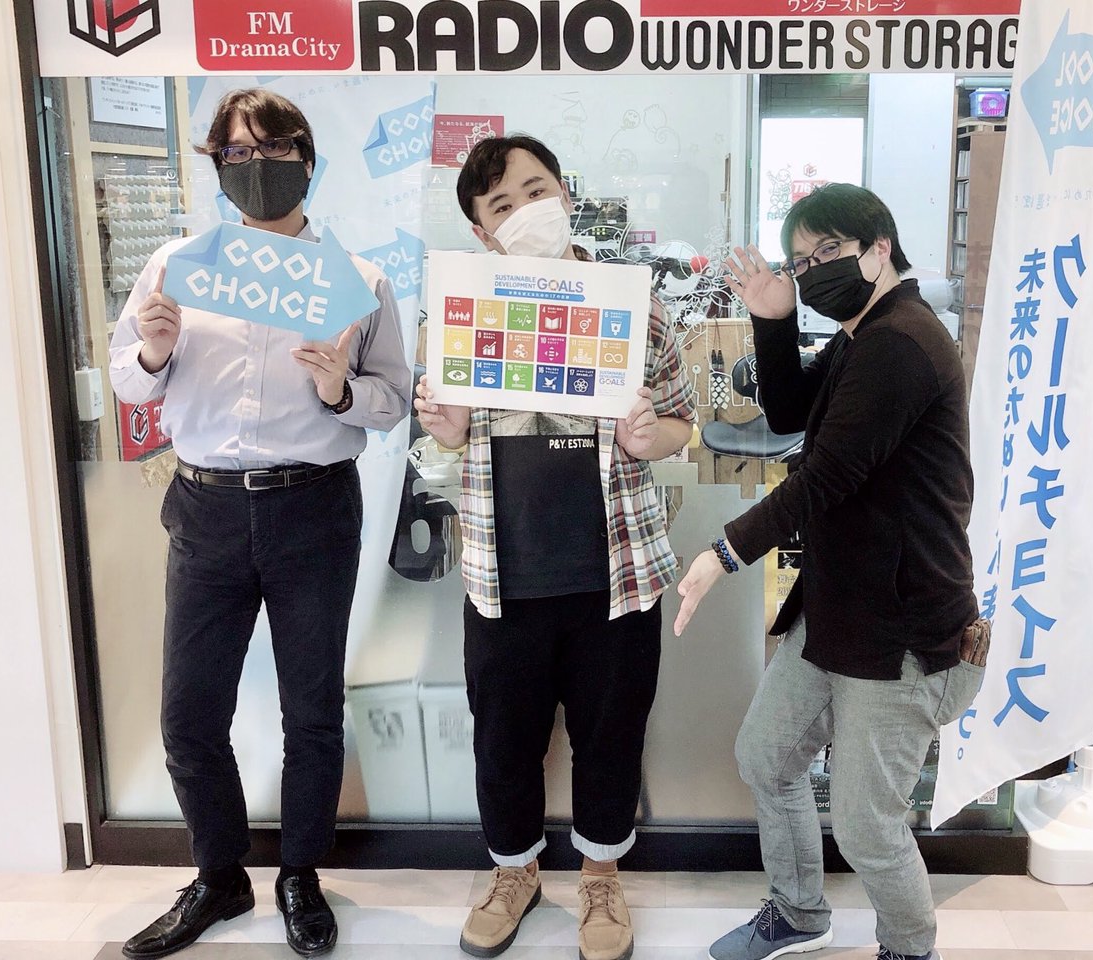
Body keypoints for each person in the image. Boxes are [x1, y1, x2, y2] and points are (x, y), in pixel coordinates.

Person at [110, 88, 410, 959]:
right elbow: (128, 379)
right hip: (204, 507)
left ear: (307, 160)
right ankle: (220, 874)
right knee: (188, 713)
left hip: (312, 507)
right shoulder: (177, 266)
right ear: (217, 165)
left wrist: (339, 390)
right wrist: (154, 350)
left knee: (311, 711)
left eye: (274, 148)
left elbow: (392, 399)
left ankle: (300, 875)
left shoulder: (359, 282)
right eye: (236, 152)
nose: (256, 165)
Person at [672, 183, 987, 960]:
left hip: (902, 628)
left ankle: (909, 948)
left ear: (879, 248)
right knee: (766, 757)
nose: (813, 270)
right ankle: (799, 911)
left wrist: (724, 552)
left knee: (866, 824)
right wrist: (774, 320)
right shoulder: (861, 334)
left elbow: (827, 475)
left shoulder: (902, 342)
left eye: (828, 252)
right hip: (839, 608)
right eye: (802, 261)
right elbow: (790, 415)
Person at [414, 135, 697, 960]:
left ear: (565, 194)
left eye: (536, 191)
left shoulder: (633, 303)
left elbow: (682, 419)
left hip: (616, 567)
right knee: (503, 739)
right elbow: (442, 442)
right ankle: (515, 872)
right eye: (502, 205)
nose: (525, 211)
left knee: (611, 735)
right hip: (503, 572)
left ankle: (601, 877)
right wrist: (447, 429)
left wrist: (650, 436)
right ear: (481, 231)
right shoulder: (458, 311)